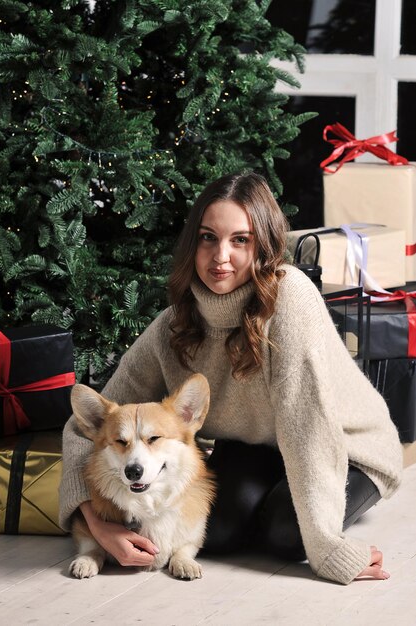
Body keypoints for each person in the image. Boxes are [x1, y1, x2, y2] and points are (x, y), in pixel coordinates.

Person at [60, 172, 403, 585]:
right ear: (193, 243)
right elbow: (87, 431)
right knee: (217, 533)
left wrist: (328, 548)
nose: (221, 255)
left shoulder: (290, 298)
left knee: (287, 535)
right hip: (260, 445)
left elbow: (307, 426)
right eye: (208, 237)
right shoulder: (175, 323)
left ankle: (332, 506)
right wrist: (100, 528)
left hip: (345, 446)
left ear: (264, 245)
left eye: (240, 240)